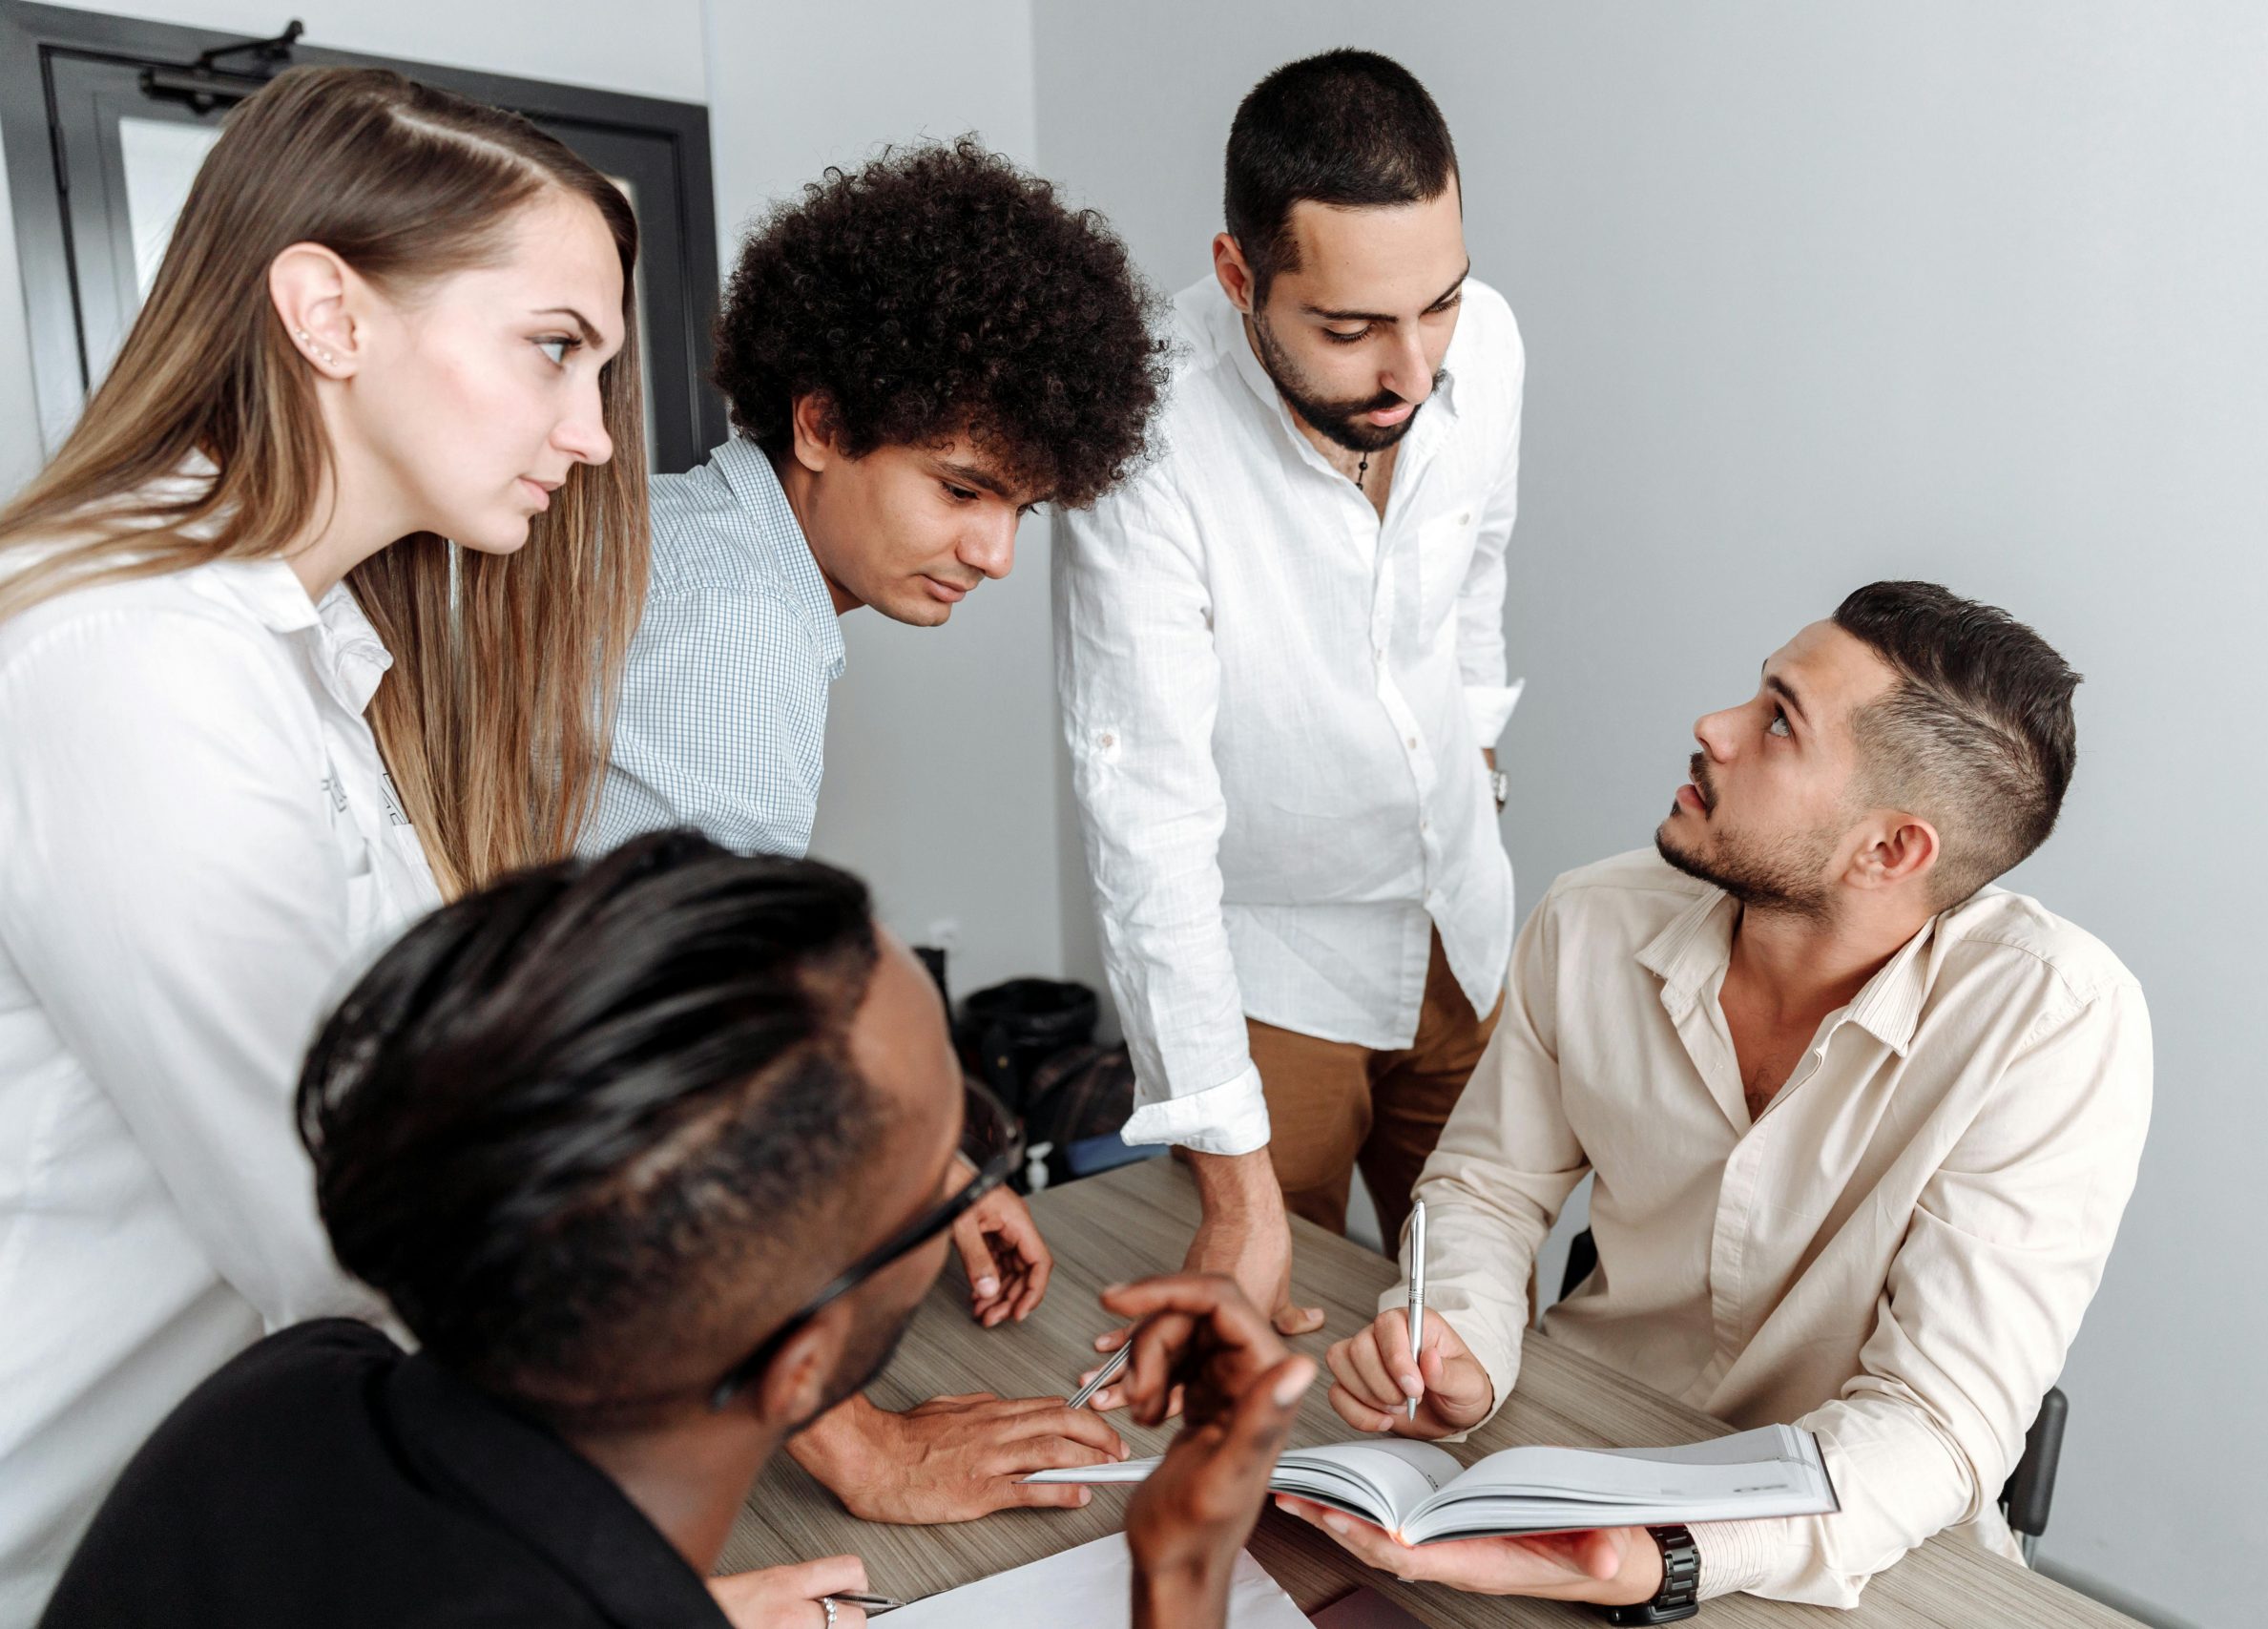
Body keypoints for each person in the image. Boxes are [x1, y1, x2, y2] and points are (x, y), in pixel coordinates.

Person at [38, 834, 1318, 1629]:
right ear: (801, 1366)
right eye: (944, 1175)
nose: (968, 1179)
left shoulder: (279, 1394)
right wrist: (1183, 1574)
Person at [0, 66, 652, 1621]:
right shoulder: (132, 663)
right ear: (330, 313)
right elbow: (346, 1233)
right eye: (556, 350)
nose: (593, 435)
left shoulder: (302, 650)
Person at [1293, 583, 2153, 1613]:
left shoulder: (2053, 1020)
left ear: (1888, 851)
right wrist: (1459, 1342)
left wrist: (1675, 1551)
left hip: (1849, 1540)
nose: (1713, 728)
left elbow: (1936, 1418)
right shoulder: (1590, 921)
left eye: (1777, 721)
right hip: (1571, 1444)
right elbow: (1485, 1186)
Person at [580, 137, 1165, 1524]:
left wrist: (935, 1169)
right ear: (825, 422)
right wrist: (866, 1449)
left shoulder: (702, 549)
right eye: (962, 488)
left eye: (1021, 506)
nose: (995, 554)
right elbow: (683, 1074)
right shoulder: (735, 636)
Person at [1057, 49, 1526, 1357]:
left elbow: (1479, 564)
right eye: (1350, 327)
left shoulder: (1481, 342)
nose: (1415, 366)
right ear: (1236, 274)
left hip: (1462, 922)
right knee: (1274, 1352)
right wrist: (1233, 1175)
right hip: (1272, 977)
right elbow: (1142, 808)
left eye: (1436, 303)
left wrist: (1475, 749)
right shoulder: (1141, 435)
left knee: (1482, 1343)